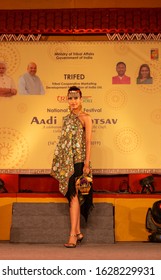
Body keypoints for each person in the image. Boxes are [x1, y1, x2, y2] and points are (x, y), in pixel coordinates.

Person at [50, 86, 93, 248]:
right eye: (70, 98)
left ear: (81, 99)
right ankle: (78, 232)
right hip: (67, 162)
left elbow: (88, 142)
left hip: (80, 161)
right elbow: (63, 142)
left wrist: (87, 163)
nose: (73, 101)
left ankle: (72, 235)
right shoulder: (66, 118)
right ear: (67, 100)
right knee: (71, 197)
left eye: (76, 98)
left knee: (75, 196)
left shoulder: (85, 118)